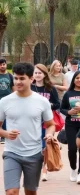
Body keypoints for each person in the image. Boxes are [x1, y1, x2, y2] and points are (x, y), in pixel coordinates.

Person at [0, 62, 55, 195]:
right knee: (11, 192)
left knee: (30, 192)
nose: (18, 81)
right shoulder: (4, 101)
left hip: (34, 154)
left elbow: (50, 125)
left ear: (31, 79)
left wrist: (49, 135)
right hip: (12, 153)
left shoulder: (42, 101)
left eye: (22, 78)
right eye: (16, 78)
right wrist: (6, 134)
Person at [31, 63, 60, 182]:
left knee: (45, 146)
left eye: (40, 73)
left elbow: (58, 104)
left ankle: (44, 170)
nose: (37, 75)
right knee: (34, 146)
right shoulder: (30, 87)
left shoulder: (50, 88)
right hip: (32, 122)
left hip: (47, 122)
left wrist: (48, 106)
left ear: (44, 74)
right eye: (35, 73)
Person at [60, 70, 80, 184]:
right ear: (74, 80)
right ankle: (73, 169)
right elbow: (62, 108)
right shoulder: (68, 93)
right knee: (72, 148)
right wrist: (68, 112)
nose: (79, 80)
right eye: (77, 78)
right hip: (71, 124)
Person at [0, 58, 14, 144]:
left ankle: (3, 136)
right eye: (0, 64)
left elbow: (13, 88)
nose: (2, 66)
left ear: (6, 64)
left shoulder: (10, 76)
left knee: (5, 118)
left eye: (3, 64)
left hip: (7, 100)